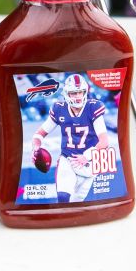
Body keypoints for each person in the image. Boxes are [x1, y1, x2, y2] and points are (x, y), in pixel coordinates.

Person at [31, 73, 113, 203]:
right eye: (74, 93)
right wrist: (35, 148)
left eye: (80, 92)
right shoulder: (59, 109)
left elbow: (104, 141)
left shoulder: (93, 107)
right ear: (66, 94)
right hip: (67, 159)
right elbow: (39, 134)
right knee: (63, 198)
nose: (78, 96)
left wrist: (86, 156)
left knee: (77, 201)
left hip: (89, 162)